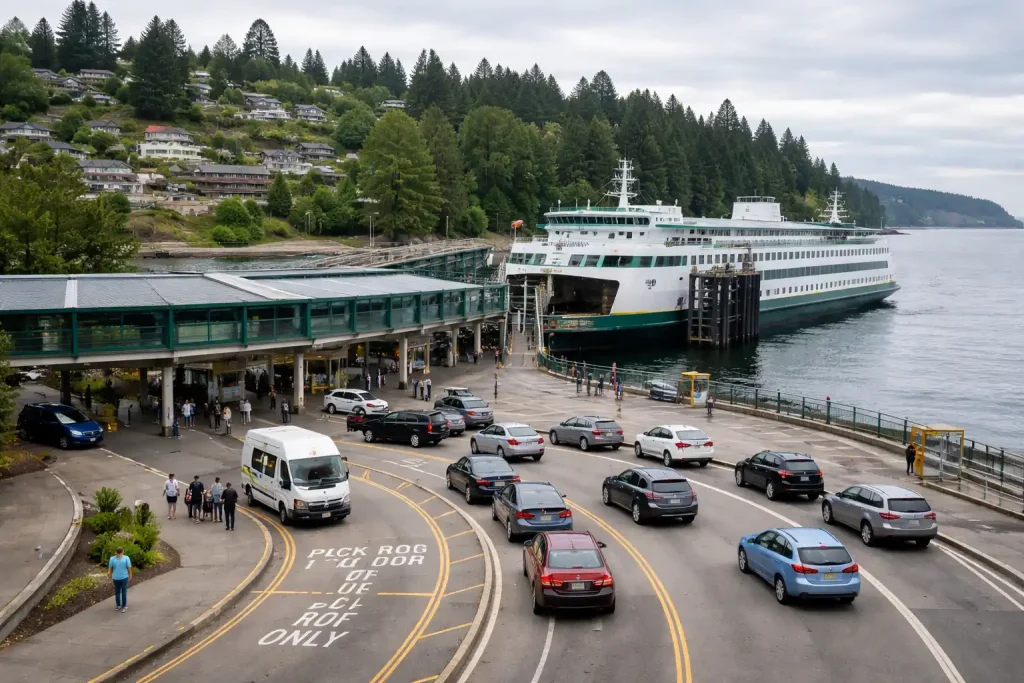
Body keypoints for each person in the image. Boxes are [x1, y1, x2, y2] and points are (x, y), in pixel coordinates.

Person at [108, 546, 132, 613]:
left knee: (117, 592)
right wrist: (130, 574)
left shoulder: (112, 559)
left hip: (116, 578)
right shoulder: (126, 558)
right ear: (122, 552)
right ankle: (124, 606)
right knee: (124, 591)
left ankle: (118, 605)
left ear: (116, 552)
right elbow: (129, 567)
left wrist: (110, 575)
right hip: (124, 577)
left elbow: (110, 569)